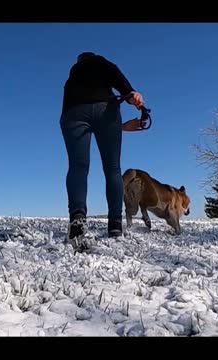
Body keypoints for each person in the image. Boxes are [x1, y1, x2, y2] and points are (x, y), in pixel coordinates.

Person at [60, 51, 145, 242]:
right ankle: (115, 225)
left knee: (78, 166)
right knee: (112, 168)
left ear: (80, 60)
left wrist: (119, 126)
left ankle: (77, 218)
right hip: (106, 111)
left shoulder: (71, 79)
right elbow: (114, 74)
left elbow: (86, 113)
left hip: (73, 112)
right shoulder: (101, 62)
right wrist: (130, 94)